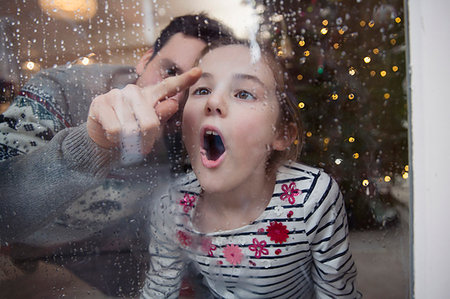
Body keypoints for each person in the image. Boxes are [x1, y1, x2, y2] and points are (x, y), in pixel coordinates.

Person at [0, 14, 233, 296]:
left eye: (199, 89)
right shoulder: (60, 90)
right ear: (145, 60)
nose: (175, 99)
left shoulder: (191, 137)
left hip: (76, 264)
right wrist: (93, 145)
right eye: (170, 71)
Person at [141, 40, 359, 298]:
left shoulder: (310, 198)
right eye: (201, 90)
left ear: (280, 134)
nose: (213, 101)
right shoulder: (172, 207)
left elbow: (337, 291)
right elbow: (159, 288)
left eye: (243, 93)